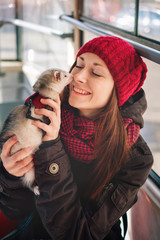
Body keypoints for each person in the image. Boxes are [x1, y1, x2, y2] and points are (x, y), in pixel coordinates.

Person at [0, 36, 153, 240]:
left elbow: (77, 235)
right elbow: (16, 211)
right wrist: (10, 175)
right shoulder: (44, 112)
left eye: (96, 72)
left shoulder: (136, 158)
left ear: (118, 91)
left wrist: (51, 148)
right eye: (78, 65)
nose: (77, 77)